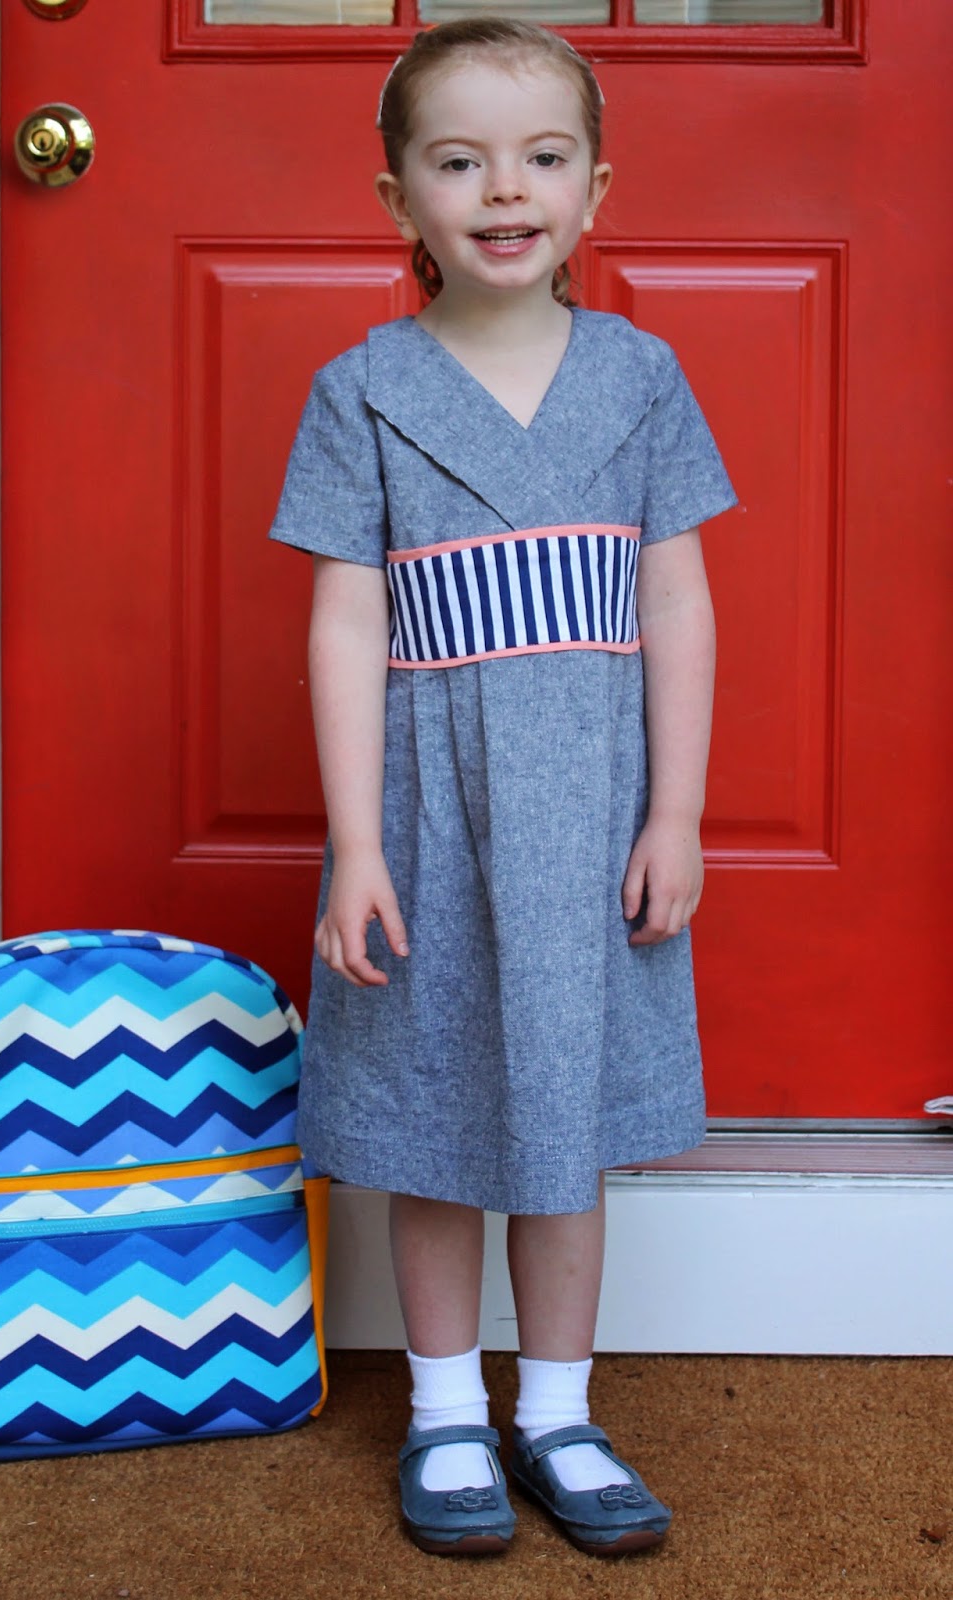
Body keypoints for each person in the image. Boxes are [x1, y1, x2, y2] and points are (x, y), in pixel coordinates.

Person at [269, 16, 737, 1561]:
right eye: (458, 161)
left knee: (565, 1117)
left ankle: (557, 1408)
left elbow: (677, 601)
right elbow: (344, 618)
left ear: (595, 191)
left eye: (541, 159)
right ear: (398, 197)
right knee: (436, 1116)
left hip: (590, 819)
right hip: (428, 822)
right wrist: (353, 846)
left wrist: (674, 811)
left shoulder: (643, 376)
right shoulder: (364, 391)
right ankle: (448, 1411)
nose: (503, 189)